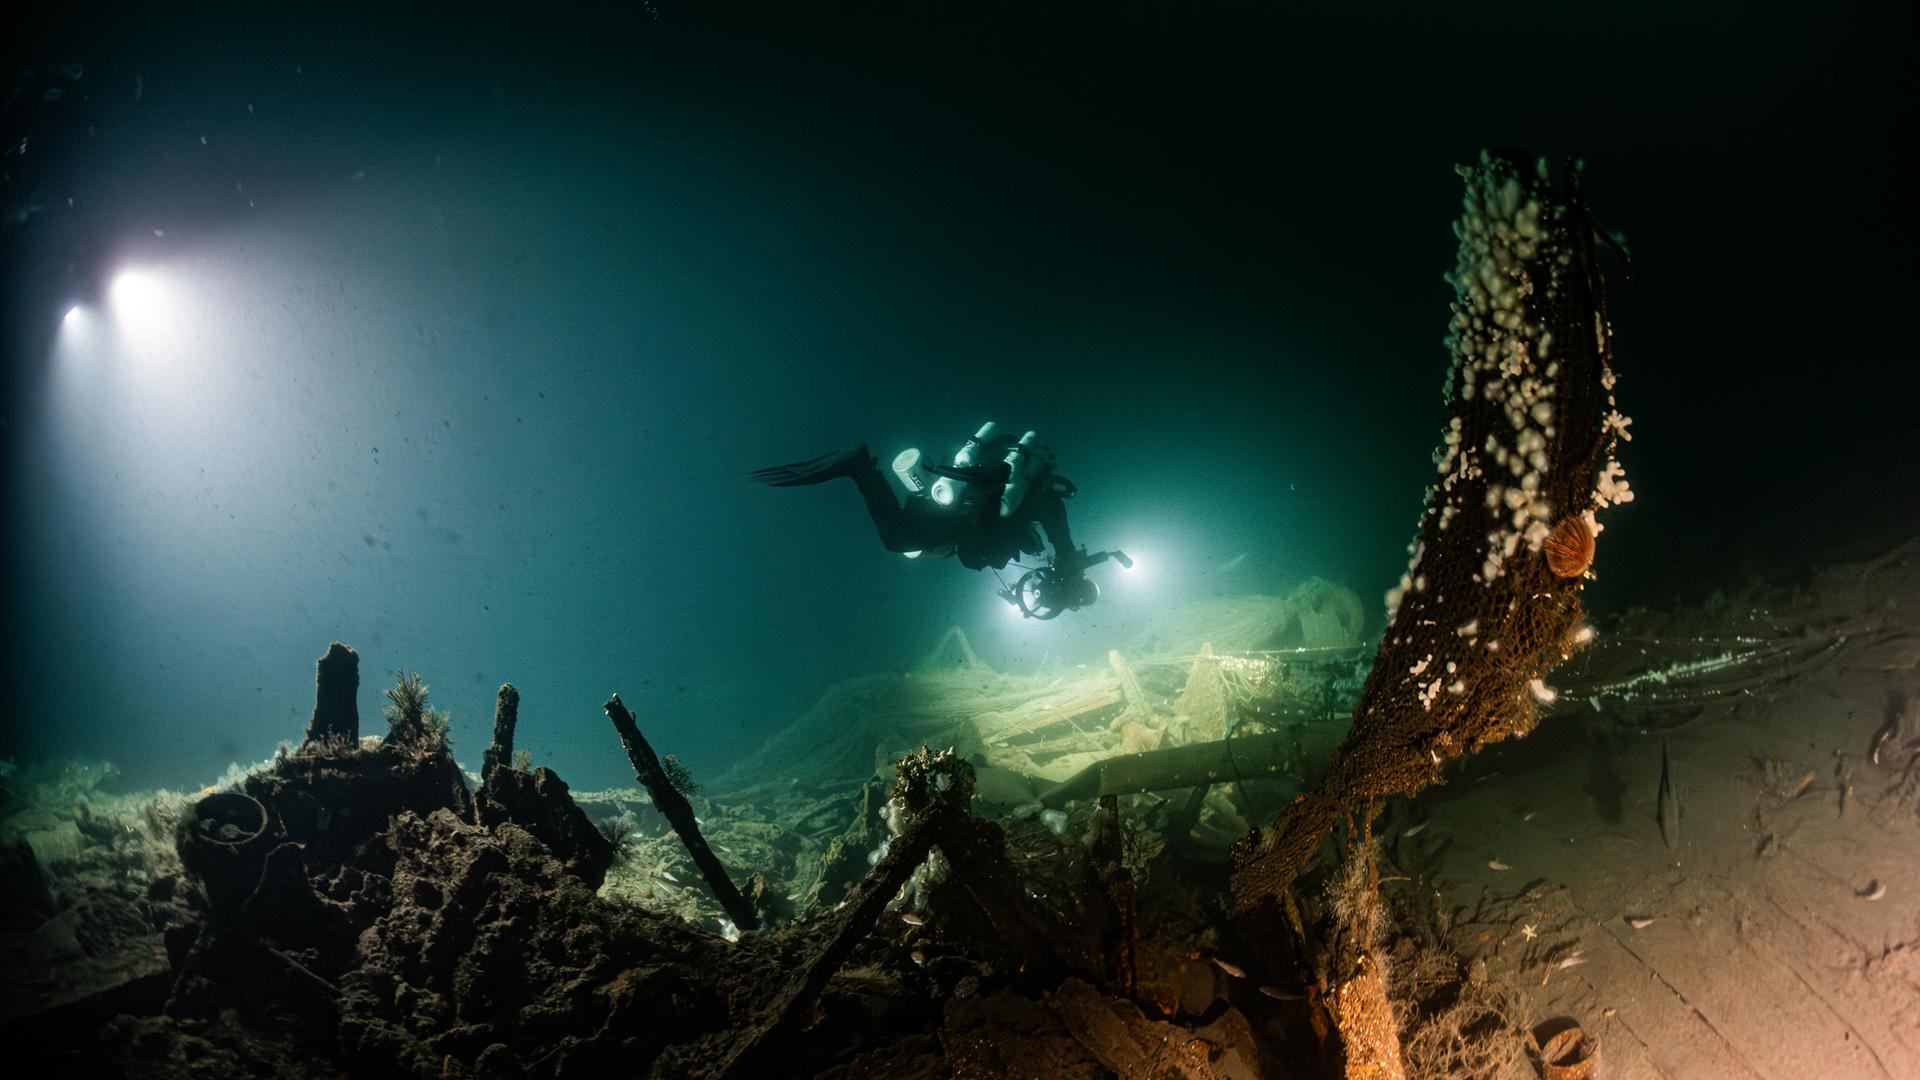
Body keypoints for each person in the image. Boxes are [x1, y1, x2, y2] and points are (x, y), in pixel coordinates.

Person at [748, 422, 1079, 574]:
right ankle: (860, 469)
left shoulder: (1024, 485)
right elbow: (1058, 534)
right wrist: (1067, 560)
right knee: (978, 554)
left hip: (947, 497)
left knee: (902, 538)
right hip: (966, 510)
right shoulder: (1037, 497)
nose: (1030, 545)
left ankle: (861, 469)